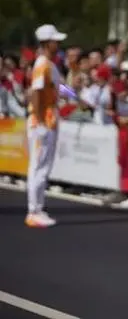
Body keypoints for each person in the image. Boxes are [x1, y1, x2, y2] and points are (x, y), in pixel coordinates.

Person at [25, 24, 67, 228]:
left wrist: (77, 96)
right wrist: (40, 119)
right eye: (55, 41)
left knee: (43, 166)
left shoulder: (50, 65)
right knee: (38, 166)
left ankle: (38, 208)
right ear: (46, 43)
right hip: (42, 122)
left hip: (49, 120)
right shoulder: (42, 64)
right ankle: (34, 211)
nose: (58, 44)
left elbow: (61, 88)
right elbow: (35, 91)